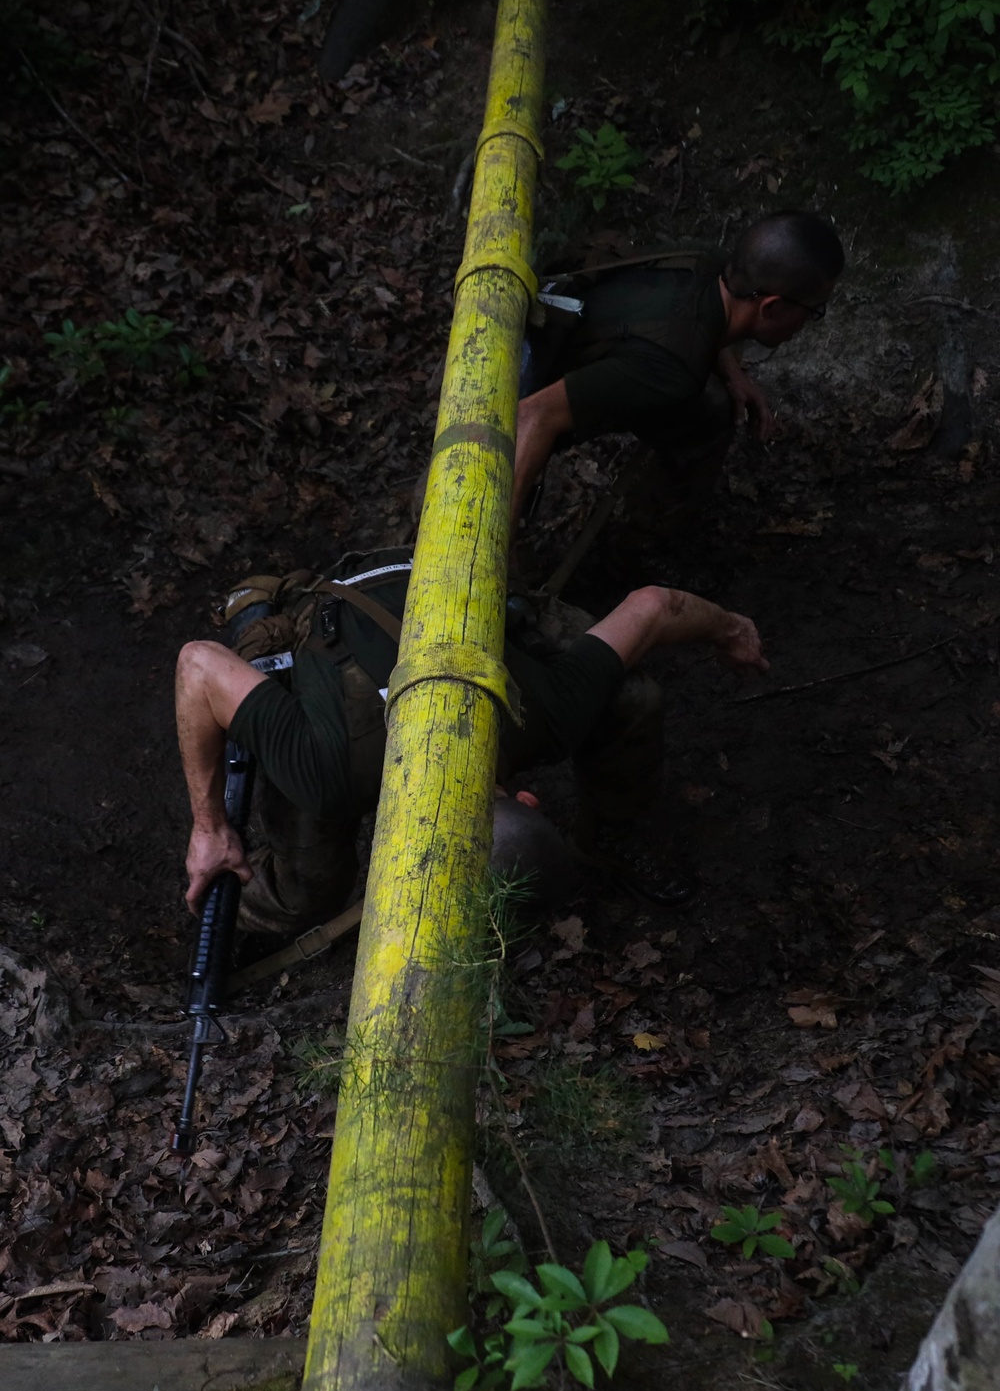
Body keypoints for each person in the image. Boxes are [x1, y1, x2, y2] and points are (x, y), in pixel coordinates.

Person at [176, 556, 769, 931]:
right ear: (532, 800)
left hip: (429, 573)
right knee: (309, 889)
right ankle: (224, 920)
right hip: (338, 611)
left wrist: (732, 629)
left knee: (629, 696)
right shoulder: (332, 773)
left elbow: (653, 607)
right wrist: (210, 830)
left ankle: (610, 837)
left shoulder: (548, 711)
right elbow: (199, 666)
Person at [512, 209, 845, 542]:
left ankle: (649, 524)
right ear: (772, 307)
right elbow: (533, 414)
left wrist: (733, 374)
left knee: (713, 410)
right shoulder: (672, 372)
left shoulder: (704, 259)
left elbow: (687, 321)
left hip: (552, 325)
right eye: (813, 311)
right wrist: (499, 547)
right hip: (515, 387)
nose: (808, 324)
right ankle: (641, 546)